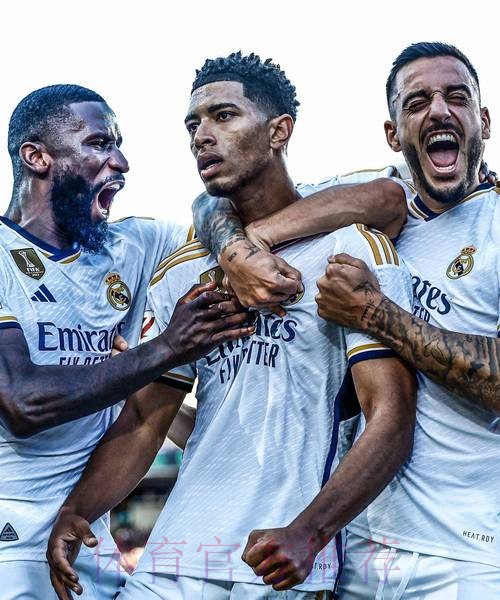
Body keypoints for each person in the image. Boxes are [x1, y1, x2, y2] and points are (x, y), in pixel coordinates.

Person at [47, 52, 416, 600]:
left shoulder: (351, 248)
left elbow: (392, 416)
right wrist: (77, 510)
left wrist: (311, 532)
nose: (202, 136)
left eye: (224, 116)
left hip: (278, 560)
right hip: (172, 558)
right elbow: (146, 417)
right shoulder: (182, 270)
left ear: (279, 131)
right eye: (192, 125)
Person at [196, 43, 500, 598]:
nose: (438, 111)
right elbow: (214, 202)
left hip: (467, 552)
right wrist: (239, 249)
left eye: (456, 98)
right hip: (354, 549)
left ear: (483, 120)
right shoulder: (351, 206)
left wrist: (377, 315)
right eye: (417, 103)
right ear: (393, 134)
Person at [0, 84, 254, 600]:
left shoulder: (134, 245)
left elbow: (217, 210)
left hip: (87, 536)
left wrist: (229, 244)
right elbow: (22, 402)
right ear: (37, 157)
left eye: (118, 144)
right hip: (12, 542)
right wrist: (167, 348)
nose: (121, 161)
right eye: (99, 143)